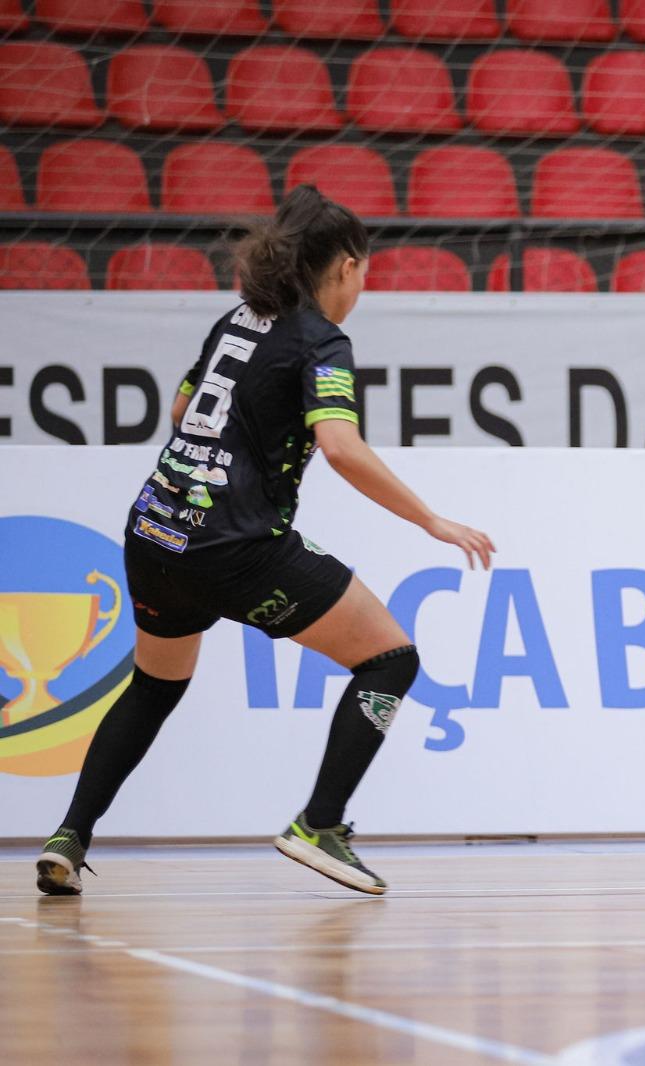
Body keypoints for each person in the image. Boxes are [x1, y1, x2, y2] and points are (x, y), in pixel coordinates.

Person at [35, 186, 495, 897]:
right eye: (364, 272)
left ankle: (71, 834)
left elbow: (185, 406)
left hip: (156, 529)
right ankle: (322, 824)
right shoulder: (320, 338)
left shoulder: (238, 317)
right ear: (344, 266)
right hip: (236, 544)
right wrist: (432, 520)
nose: (362, 288)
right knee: (391, 659)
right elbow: (340, 448)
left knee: (155, 684)